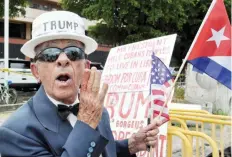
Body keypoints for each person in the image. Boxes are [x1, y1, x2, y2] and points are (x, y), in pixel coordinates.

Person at [0, 11, 161, 157]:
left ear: (86, 66)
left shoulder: (99, 112)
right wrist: (87, 122)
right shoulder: (15, 132)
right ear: (36, 71)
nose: (63, 60)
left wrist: (130, 145)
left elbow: (100, 152)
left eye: (73, 52)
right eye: (50, 54)